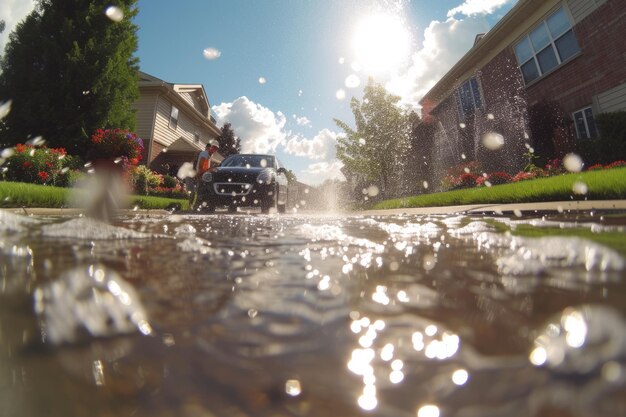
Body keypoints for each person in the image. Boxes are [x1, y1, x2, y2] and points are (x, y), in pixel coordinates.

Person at [193, 139, 220, 210]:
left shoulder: (209, 155)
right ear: (210, 147)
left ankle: (200, 208)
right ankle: (196, 209)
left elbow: (206, 168)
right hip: (201, 176)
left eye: (216, 148)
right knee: (201, 194)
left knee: (204, 194)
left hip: (204, 176)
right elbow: (201, 168)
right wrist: (210, 170)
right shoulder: (205, 154)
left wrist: (211, 169)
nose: (215, 150)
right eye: (213, 148)